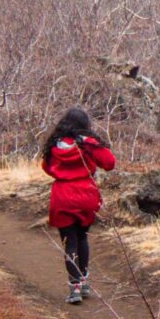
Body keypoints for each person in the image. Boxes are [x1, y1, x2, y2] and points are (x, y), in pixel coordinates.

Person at [41, 105, 116, 302]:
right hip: (86, 195)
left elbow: (47, 168)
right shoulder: (88, 143)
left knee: (70, 242)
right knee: (82, 238)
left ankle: (74, 287)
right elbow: (109, 163)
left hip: (62, 195)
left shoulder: (55, 145)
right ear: (85, 125)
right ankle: (83, 283)